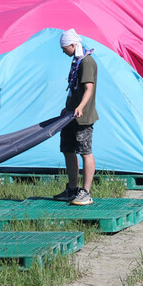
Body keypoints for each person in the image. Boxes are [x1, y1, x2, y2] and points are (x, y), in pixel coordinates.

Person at [53, 28, 98, 206]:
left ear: (73, 44)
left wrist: (79, 107)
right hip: (70, 116)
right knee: (68, 149)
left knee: (85, 152)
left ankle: (85, 192)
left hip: (83, 117)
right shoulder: (76, 61)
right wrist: (67, 108)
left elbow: (89, 88)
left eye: (65, 47)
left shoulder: (87, 62)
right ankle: (72, 189)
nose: (63, 50)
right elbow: (74, 89)